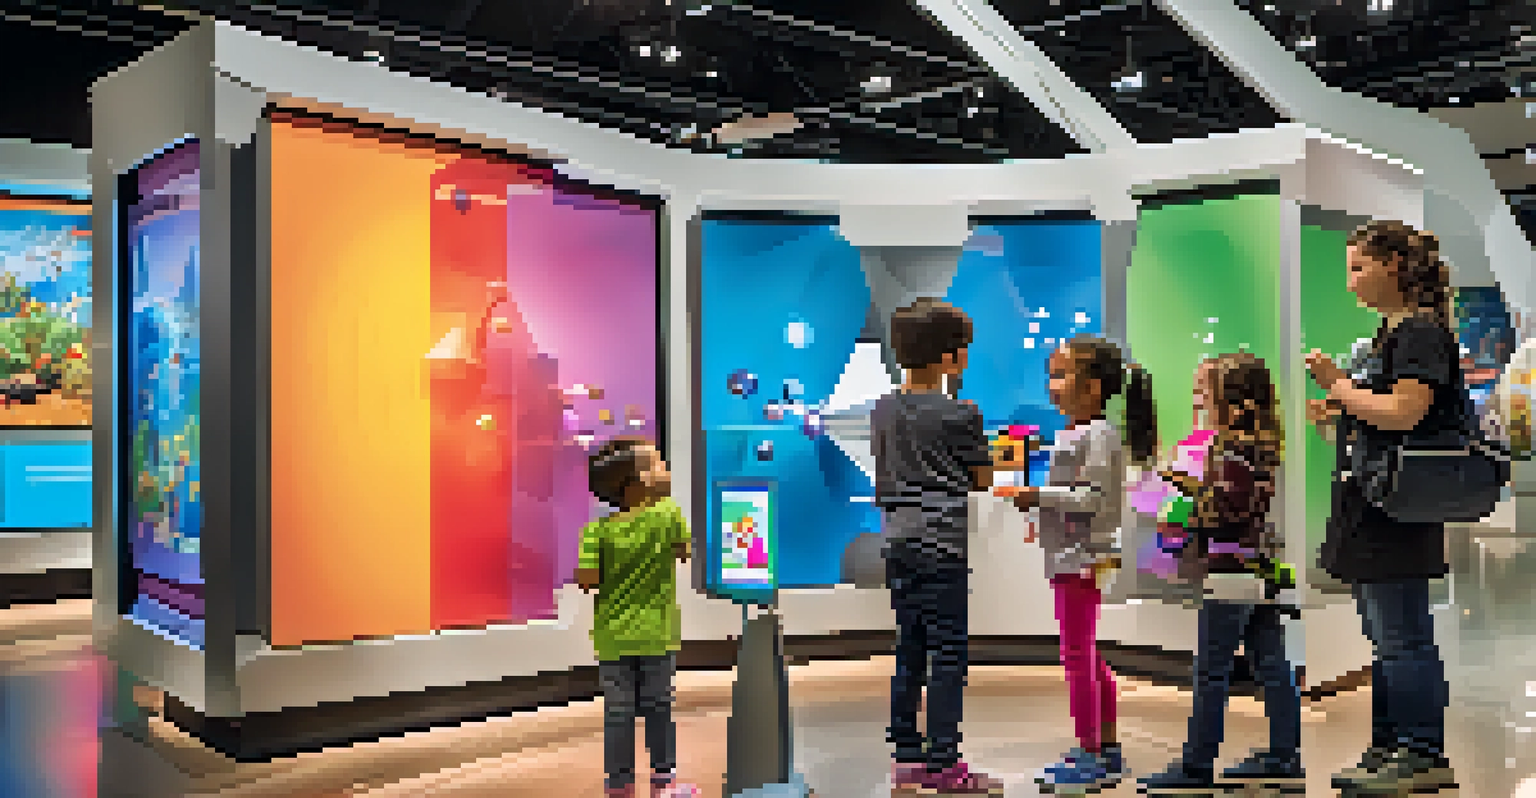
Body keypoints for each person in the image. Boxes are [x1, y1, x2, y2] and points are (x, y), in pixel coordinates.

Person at [1307, 220, 1459, 793]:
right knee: (1385, 635)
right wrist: (1340, 412)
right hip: (1373, 505)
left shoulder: (1419, 334)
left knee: (1404, 636)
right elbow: (1382, 419)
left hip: (1398, 511)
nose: (1352, 283)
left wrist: (1338, 386)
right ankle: (1391, 746)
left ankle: (1421, 751)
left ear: (1395, 264)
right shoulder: (1388, 336)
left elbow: (1404, 413)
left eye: (1359, 267)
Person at [1138, 353, 1304, 791]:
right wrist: (1191, 484)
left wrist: (1187, 515)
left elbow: (1227, 512)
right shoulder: (1261, 446)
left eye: (1203, 391)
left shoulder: (1228, 448)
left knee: (1211, 671)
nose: (1198, 400)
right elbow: (1244, 502)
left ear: (1231, 401)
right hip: (1259, 568)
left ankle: (1196, 765)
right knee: (1271, 663)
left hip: (1229, 572)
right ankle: (1284, 757)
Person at [1002, 335, 1157, 792]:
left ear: (1093, 387)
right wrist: (1040, 511)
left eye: (1062, 374)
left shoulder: (1099, 436)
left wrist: (1035, 496)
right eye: (1052, 374)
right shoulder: (1080, 432)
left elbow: (1092, 499)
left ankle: (1091, 751)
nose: (1053, 385)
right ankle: (1102, 747)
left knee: (1076, 656)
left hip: (1082, 558)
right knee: (1085, 653)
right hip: (1072, 555)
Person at [871, 297, 1003, 795]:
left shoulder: (883, 408)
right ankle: (944, 761)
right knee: (948, 653)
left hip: (898, 542)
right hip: (941, 545)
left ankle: (907, 753)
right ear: (950, 357)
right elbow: (983, 479)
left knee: (910, 645)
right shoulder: (961, 413)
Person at [576, 437, 700, 798]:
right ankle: (664, 781)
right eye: (658, 465)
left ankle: (618, 784)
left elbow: (588, 581)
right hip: (657, 633)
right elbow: (684, 552)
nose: (666, 471)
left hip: (613, 635)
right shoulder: (668, 515)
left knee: (618, 710)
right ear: (636, 483)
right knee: (659, 705)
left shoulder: (596, 532)